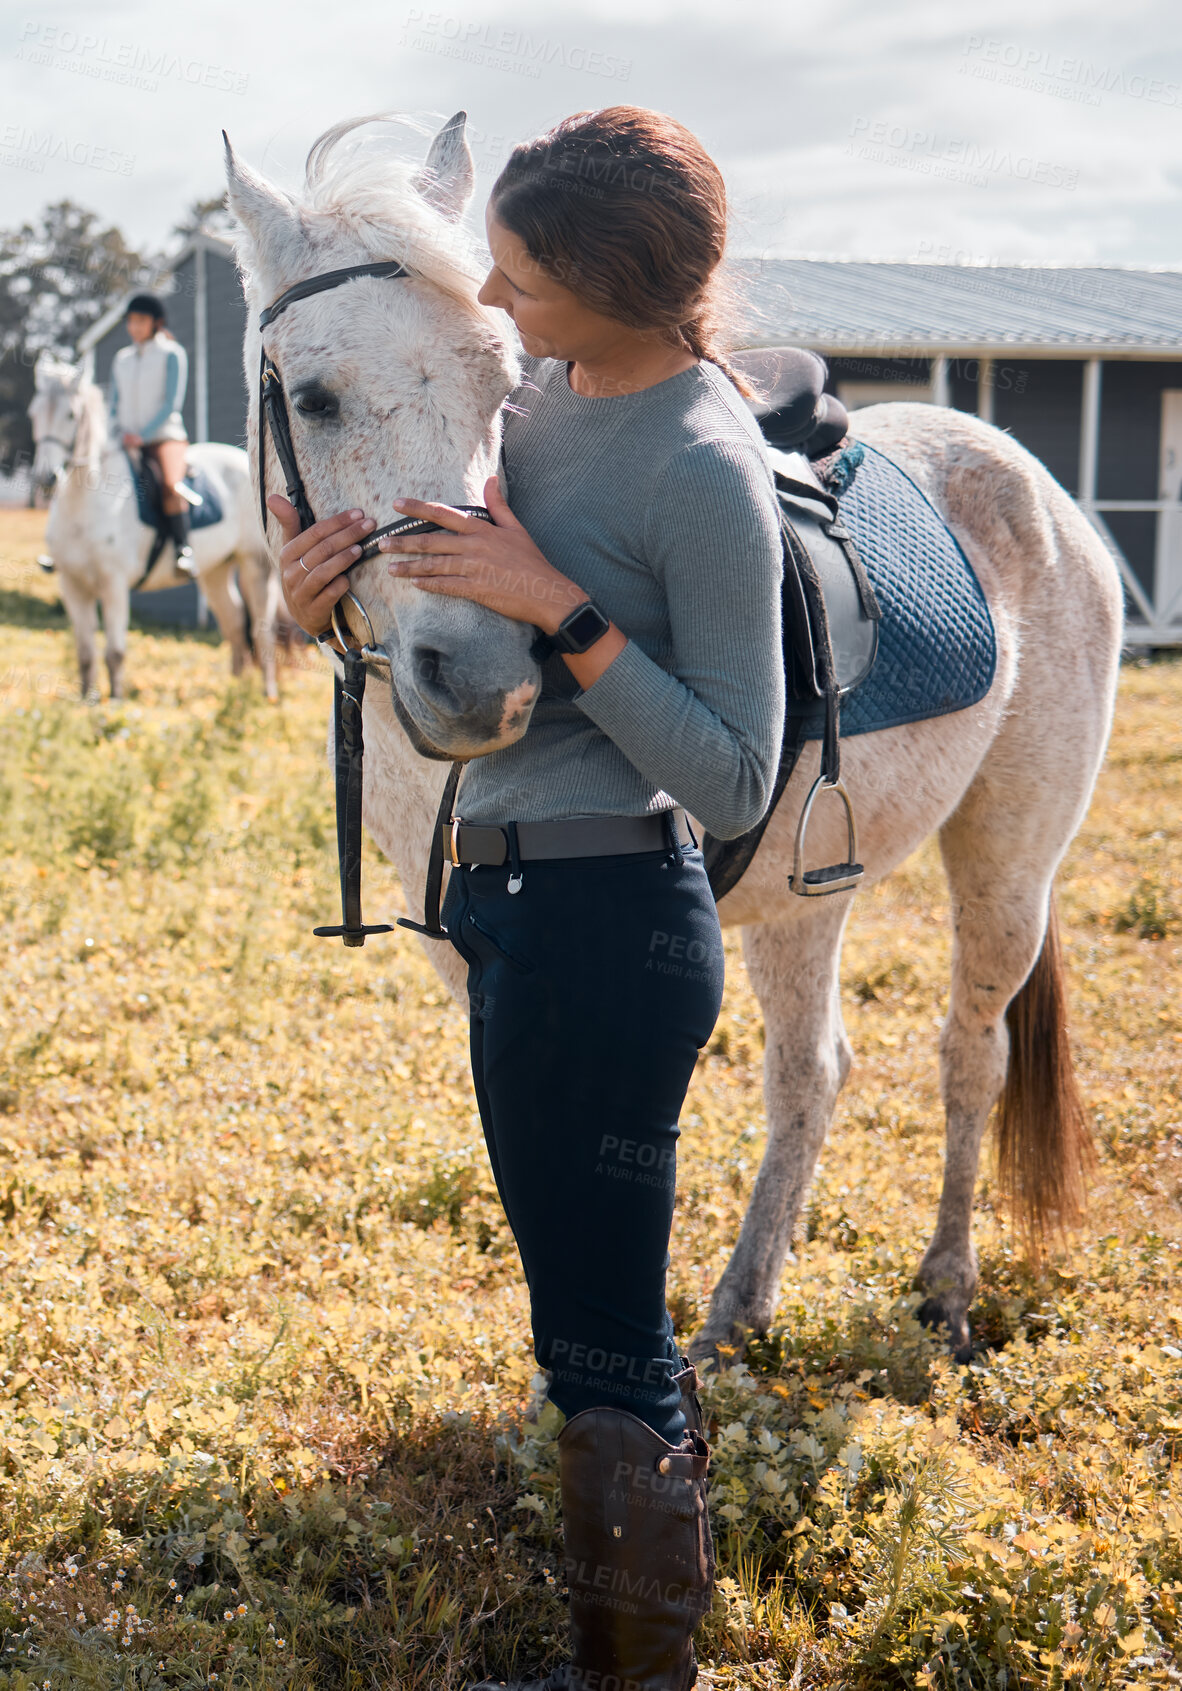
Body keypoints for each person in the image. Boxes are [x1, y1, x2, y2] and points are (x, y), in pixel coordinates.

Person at [272, 106, 786, 1691]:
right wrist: (323, 607)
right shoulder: (532, 407)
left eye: (520, 278)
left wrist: (556, 606)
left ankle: (631, 1670)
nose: (489, 300)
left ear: (620, 287)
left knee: (607, 1330)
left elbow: (731, 782)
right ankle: (626, 1641)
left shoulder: (701, 466)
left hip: (613, 920)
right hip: (507, 906)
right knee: (581, 1314)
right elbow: (435, 592)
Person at [109, 292, 194, 573]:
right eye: (130, 321)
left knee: (171, 484)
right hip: (125, 439)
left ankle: (184, 549)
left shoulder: (172, 353)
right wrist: (116, 432)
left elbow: (171, 404)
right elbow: (114, 403)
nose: (134, 327)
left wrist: (143, 435)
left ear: (156, 322)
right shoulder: (121, 359)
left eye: (140, 321)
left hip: (164, 437)